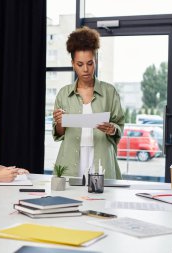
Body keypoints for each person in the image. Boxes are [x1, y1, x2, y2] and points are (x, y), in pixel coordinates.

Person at [52, 26, 125, 179]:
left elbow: (119, 126)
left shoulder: (109, 92)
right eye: (80, 64)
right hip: (71, 159)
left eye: (90, 63)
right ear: (73, 64)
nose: (85, 69)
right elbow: (59, 133)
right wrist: (60, 122)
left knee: (101, 200)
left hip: (102, 158)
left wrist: (112, 129)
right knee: (71, 200)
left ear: (95, 61)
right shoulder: (64, 94)